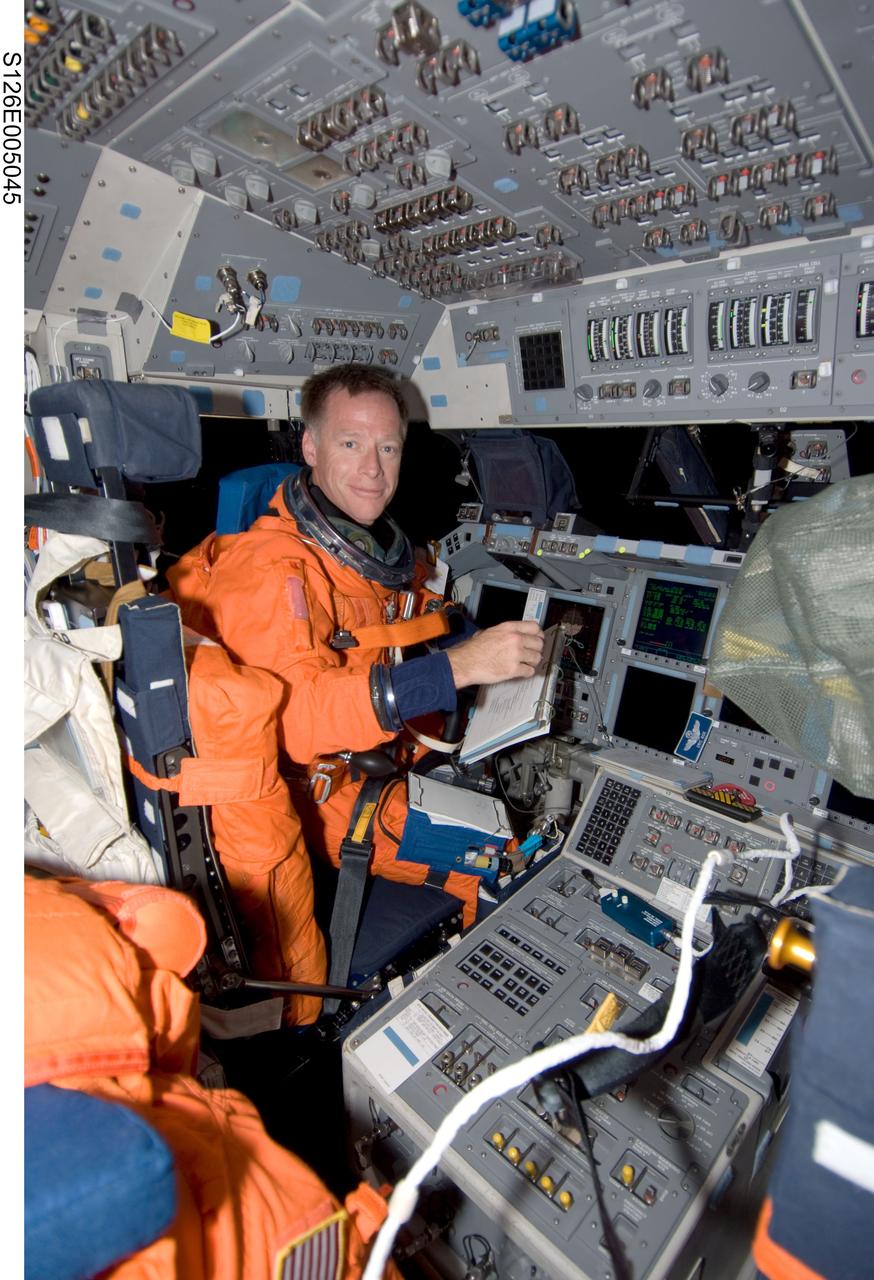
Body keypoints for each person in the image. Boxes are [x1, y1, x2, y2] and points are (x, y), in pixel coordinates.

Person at [168, 364, 544, 930]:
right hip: (321, 795)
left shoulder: (365, 547)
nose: (373, 469)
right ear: (311, 447)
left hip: (381, 760)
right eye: (351, 443)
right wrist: (461, 667)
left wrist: (476, 644)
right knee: (507, 865)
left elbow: (411, 612)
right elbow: (300, 715)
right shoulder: (272, 570)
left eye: (388, 448)